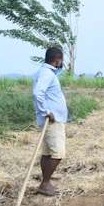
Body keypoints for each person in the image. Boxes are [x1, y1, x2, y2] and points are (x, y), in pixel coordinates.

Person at [32, 47, 68, 196]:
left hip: (51, 121)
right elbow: (37, 93)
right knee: (58, 153)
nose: (62, 63)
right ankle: (45, 183)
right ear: (57, 60)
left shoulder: (45, 72)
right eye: (61, 60)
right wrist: (46, 111)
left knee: (47, 154)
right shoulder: (47, 74)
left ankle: (45, 184)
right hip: (52, 121)